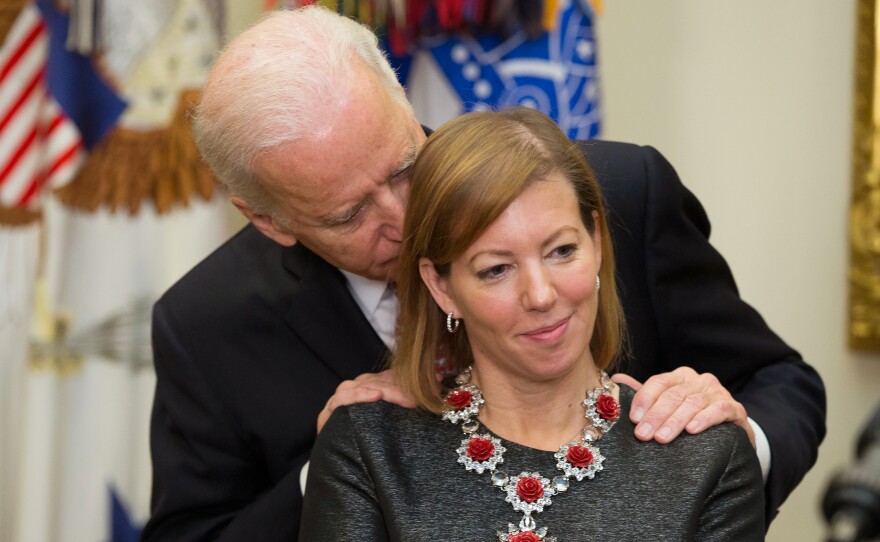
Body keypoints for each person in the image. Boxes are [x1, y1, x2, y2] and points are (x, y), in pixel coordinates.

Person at [142, 6, 823, 541]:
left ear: (403, 102)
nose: (406, 219)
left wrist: (723, 454)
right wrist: (328, 476)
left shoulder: (619, 193)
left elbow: (782, 383)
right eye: (350, 214)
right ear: (270, 221)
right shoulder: (206, 324)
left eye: (405, 167)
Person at [299, 106, 766, 540]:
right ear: (441, 287)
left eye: (562, 251)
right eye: (496, 269)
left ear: (597, 242)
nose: (541, 295)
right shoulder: (368, 449)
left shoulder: (707, 456)